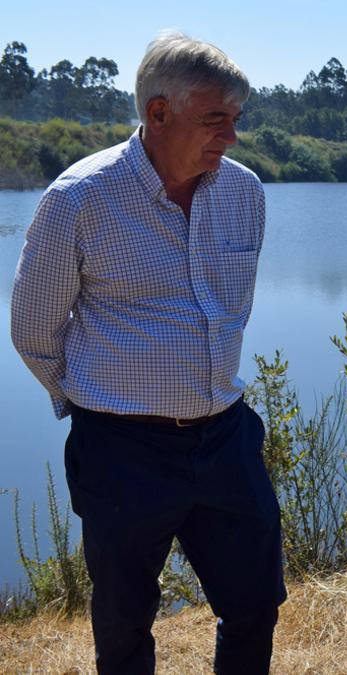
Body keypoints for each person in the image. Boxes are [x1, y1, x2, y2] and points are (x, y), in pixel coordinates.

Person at [10, 32, 284, 674]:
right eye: (215, 119)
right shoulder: (79, 198)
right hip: (122, 450)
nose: (232, 136)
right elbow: (32, 331)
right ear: (158, 113)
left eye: (236, 120)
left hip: (225, 439)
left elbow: (228, 311)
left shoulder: (245, 194)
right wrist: (93, 404)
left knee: (254, 605)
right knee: (126, 622)